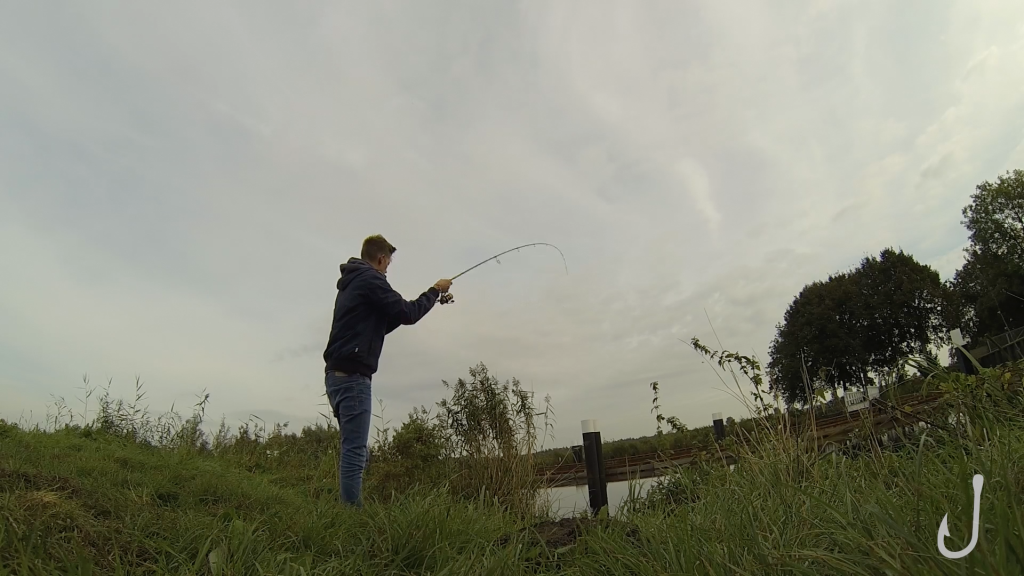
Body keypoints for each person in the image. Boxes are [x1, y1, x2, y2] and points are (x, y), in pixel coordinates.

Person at [323, 234, 452, 507]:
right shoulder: (371, 279)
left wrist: (430, 302)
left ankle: (355, 504)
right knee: (354, 453)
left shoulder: (352, 283)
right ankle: (351, 519)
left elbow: (385, 323)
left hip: (336, 376)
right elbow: (407, 313)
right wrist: (434, 291)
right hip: (353, 378)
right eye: (388, 264)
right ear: (381, 259)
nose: (387, 269)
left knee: (357, 450)